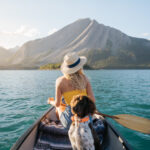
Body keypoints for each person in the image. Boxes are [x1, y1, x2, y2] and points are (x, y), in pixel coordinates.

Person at [48, 52, 95, 129]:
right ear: (80, 67)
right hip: (87, 120)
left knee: (59, 107)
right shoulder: (85, 79)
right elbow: (92, 100)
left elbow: (57, 104)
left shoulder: (59, 81)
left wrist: (50, 101)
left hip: (70, 123)